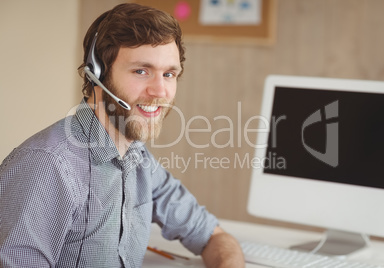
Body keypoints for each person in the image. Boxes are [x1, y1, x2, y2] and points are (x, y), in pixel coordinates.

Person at [0, 3, 244, 268]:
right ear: (98, 74)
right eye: (141, 71)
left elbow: (213, 236)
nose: (160, 91)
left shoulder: (138, 159)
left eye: (169, 74)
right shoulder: (47, 166)